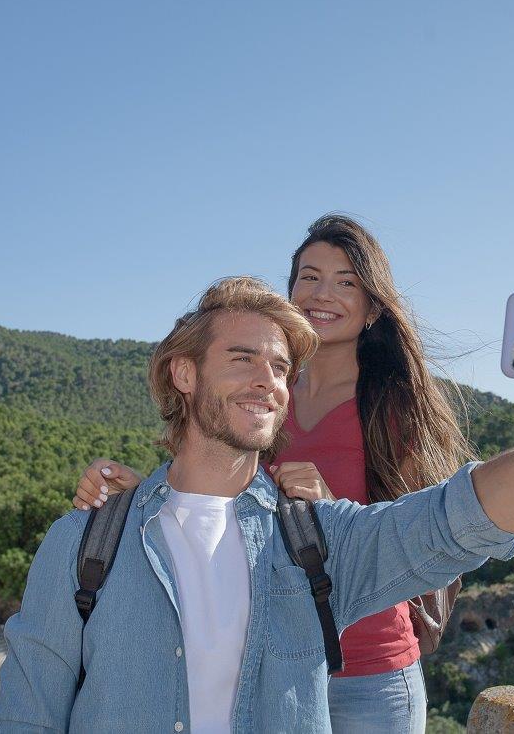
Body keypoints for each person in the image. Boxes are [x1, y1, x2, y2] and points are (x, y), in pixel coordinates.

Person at [0, 275, 514, 733]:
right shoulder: (85, 544)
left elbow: (462, 518)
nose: (268, 381)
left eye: (281, 366)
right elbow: (28, 715)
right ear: (183, 373)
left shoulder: (317, 544)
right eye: (243, 357)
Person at [73, 216, 480, 732]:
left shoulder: (394, 407)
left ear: (374, 305)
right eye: (309, 277)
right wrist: (134, 493)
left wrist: (332, 511)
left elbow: (423, 535)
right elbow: (205, 487)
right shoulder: (260, 395)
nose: (322, 293)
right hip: (268, 665)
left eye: (346, 281)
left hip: (371, 674)